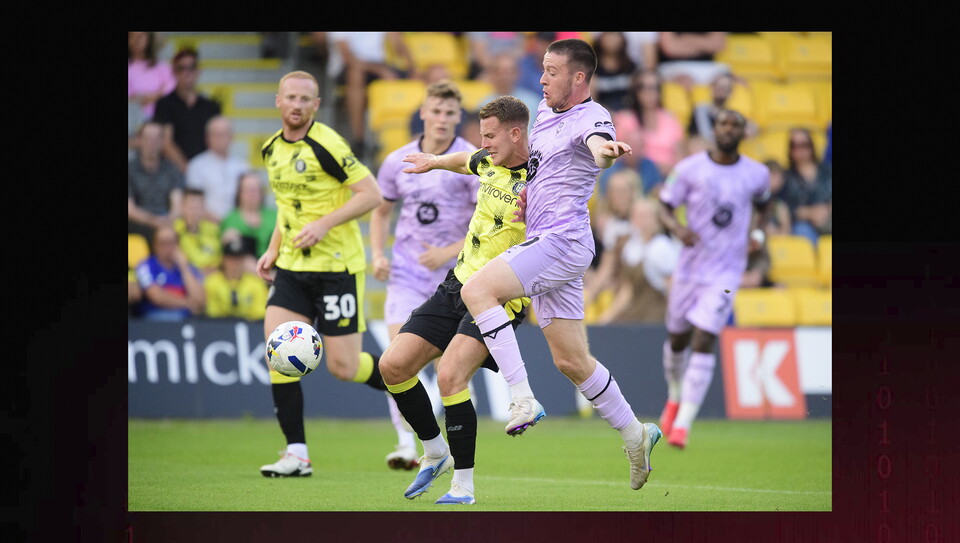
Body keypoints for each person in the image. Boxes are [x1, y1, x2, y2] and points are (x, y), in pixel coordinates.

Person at [456, 38, 662, 491]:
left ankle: (522, 398)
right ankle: (635, 434)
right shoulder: (547, 113)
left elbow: (597, 146)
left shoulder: (593, 117)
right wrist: (533, 194)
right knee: (570, 359)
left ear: (579, 78)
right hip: (547, 239)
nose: (543, 78)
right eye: (544, 69)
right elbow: (544, 167)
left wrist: (606, 153)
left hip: (563, 240)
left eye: (551, 71)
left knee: (477, 290)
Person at [378, 95, 531, 505]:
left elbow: (559, 234)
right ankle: (434, 452)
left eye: (490, 136)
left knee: (450, 376)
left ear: (515, 134)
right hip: (457, 284)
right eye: (481, 136)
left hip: (499, 297)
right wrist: (432, 160)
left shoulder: (540, 181)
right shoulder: (487, 161)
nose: (483, 144)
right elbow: (464, 161)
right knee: (392, 366)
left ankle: (463, 486)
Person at [255, 70, 386, 478]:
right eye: (290, 97)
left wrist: (326, 223)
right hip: (294, 268)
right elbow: (287, 205)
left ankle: (405, 375)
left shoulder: (327, 144)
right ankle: (296, 453)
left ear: (315, 105)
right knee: (277, 354)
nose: (296, 104)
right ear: (278, 101)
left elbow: (372, 195)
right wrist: (275, 247)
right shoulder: (270, 149)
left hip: (336, 269)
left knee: (344, 368)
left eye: (304, 99)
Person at [370, 79, 479, 471]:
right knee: (396, 356)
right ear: (423, 112)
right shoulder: (397, 159)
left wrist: (448, 253)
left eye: (450, 113)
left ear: (457, 116)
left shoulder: (470, 160)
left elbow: (483, 222)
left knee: (441, 365)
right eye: (436, 111)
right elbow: (381, 211)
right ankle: (404, 443)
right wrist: (378, 253)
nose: (442, 119)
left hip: (453, 278)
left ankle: (450, 439)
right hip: (404, 274)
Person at [656, 108, 773, 449]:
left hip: (727, 271)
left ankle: (683, 425)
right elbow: (665, 205)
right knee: (678, 338)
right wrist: (678, 227)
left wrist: (759, 235)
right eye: (723, 123)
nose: (728, 129)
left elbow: (765, 206)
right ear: (715, 129)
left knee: (705, 336)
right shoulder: (689, 169)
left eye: (735, 124)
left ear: (742, 132)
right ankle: (675, 397)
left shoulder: (757, 174)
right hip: (690, 268)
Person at [327, 32, 417, 155]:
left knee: (433, 74)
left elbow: (398, 43)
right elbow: (348, 58)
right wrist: (381, 71)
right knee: (356, 74)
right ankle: (359, 139)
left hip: (379, 66)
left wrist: (412, 69)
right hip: (349, 68)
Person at [596, 197, 680, 324]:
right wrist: (605, 319)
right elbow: (627, 290)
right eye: (637, 215)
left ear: (655, 219)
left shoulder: (662, 247)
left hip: (657, 320)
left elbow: (672, 288)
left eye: (645, 216)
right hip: (634, 319)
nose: (640, 220)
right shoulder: (631, 248)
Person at [153, 47, 223, 173]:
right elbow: (165, 142)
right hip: (172, 172)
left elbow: (217, 140)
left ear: (198, 71)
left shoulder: (212, 106)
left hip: (206, 170)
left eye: (191, 67)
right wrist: (188, 169)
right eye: (181, 68)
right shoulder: (164, 104)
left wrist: (200, 170)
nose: (187, 72)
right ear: (174, 72)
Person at [614, 70, 686, 177]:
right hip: (638, 178)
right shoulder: (624, 119)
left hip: (669, 177)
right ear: (635, 91)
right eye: (643, 87)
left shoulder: (670, 119)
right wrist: (656, 168)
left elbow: (680, 159)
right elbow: (620, 158)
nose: (649, 92)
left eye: (654, 87)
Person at [184, 116, 250, 222]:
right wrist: (221, 223)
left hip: (238, 224)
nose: (220, 138)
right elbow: (193, 202)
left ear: (232, 137)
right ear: (207, 137)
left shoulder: (242, 167)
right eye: (216, 134)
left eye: (224, 134)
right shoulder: (196, 166)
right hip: (205, 225)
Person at [128, 120, 185, 243]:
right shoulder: (130, 169)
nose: (152, 143)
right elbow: (130, 209)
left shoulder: (171, 168)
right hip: (140, 222)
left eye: (156, 138)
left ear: (162, 141)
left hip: (167, 221)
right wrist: (154, 221)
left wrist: (169, 219)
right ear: (139, 140)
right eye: (148, 138)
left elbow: (177, 203)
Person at [134, 225, 206, 321]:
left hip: (187, 320)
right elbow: (156, 296)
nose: (166, 247)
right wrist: (188, 303)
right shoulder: (146, 265)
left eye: (170, 242)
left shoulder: (188, 267)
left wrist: (184, 269)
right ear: (154, 245)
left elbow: (200, 301)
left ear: (178, 245)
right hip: (154, 319)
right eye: (162, 243)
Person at [780, 127, 832, 247]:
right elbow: (783, 207)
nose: (800, 150)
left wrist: (827, 209)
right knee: (801, 231)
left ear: (811, 146)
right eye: (795, 145)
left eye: (804, 144)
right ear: (790, 149)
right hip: (803, 224)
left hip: (829, 218)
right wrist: (808, 213)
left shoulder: (828, 171)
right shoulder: (786, 177)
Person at [220, 171, 278, 273]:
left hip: (276, 268)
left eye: (257, 190)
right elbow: (235, 256)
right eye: (249, 190)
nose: (253, 194)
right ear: (239, 193)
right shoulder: (232, 219)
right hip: (248, 277)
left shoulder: (274, 215)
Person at [204, 237, 269, 320]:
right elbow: (212, 314)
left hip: (250, 327)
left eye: (239, 259)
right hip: (219, 327)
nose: (235, 264)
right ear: (223, 260)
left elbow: (259, 315)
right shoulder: (212, 282)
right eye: (231, 259)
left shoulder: (256, 283)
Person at [477, 52, 541, 131]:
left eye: (510, 71)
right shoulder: (483, 106)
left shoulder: (534, 102)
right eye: (500, 72)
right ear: (492, 74)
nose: (505, 77)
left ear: (518, 73)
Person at [128, 31, 175, 124]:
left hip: (161, 120)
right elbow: (131, 99)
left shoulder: (163, 67)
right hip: (133, 122)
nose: (137, 40)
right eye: (132, 36)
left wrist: (149, 97)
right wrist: (157, 94)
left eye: (141, 36)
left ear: (149, 38)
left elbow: (171, 90)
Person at [173, 188, 222, 276]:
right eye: (191, 207)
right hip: (188, 277)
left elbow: (222, 258)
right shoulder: (175, 230)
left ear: (204, 209)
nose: (194, 212)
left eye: (198, 207)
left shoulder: (213, 230)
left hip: (214, 276)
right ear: (182, 207)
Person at [655, 32, 730, 89]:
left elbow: (718, 44)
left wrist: (687, 39)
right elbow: (670, 48)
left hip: (707, 66)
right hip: (675, 66)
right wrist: (704, 45)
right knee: (684, 81)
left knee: (726, 80)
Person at [590, 31, 637, 113]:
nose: (612, 39)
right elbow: (592, 101)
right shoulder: (592, 68)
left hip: (629, 116)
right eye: (608, 34)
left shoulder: (630, 66)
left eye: (615, 35)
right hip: (603, 116)